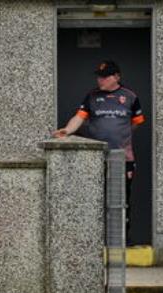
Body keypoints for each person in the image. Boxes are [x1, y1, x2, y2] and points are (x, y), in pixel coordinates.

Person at [53, 60, 145, 244]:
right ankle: (94, 241)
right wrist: (68, 130)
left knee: (121, 200)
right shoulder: (92, 96)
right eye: (99, 76)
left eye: (105, 76)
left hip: (122, 159)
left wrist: (120, 137)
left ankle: (120, 242)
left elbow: (136, 123)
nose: (100, 80)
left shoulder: (130, 97)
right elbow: (79, 117)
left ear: (117, 77)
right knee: (95, 199)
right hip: (96, 158)